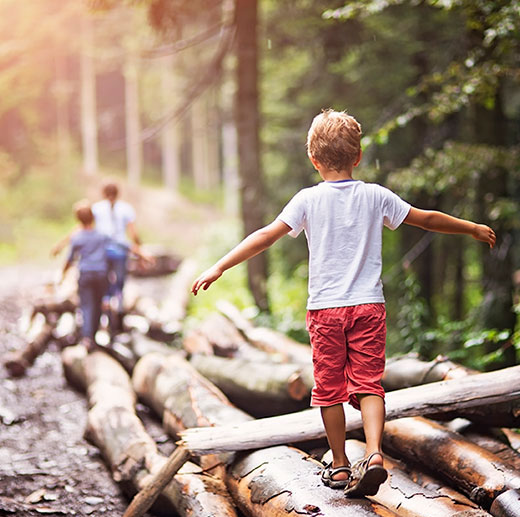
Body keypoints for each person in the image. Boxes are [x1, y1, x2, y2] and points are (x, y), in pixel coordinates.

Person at [191, 109, 496, 497]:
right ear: (358, 156)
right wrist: (469, 227)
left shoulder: (307, 200)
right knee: (369, 385)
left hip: (325, 310)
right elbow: (426, 219)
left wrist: (219, 266)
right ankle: (373, 454)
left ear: (313, 160)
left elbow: (266, 236)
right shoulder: (375, 195)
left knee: (330, 390)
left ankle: (338, 465)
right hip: (368, 306)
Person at [91, 182, 142, 332]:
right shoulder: (126, 208)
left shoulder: (96, 208)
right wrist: (139, 249)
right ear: (118, 193)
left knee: (105, 285)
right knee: (119, 284)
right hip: (120, 251)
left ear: (103, 193)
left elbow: (89, 228)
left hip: (102, 252)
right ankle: (118, 318)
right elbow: (133, 232)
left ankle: (105, 314)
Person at [62, 201, 109, 351]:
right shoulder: (101, 235)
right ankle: (94, 336)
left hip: (86, 274)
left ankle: (87, 338)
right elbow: (117, 247)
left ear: (78, 219)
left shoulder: (77, 237)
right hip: (101, 274)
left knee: (87, 305)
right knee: (98, 304)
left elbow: (69, 259)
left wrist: (63, 275)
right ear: (93, 217)